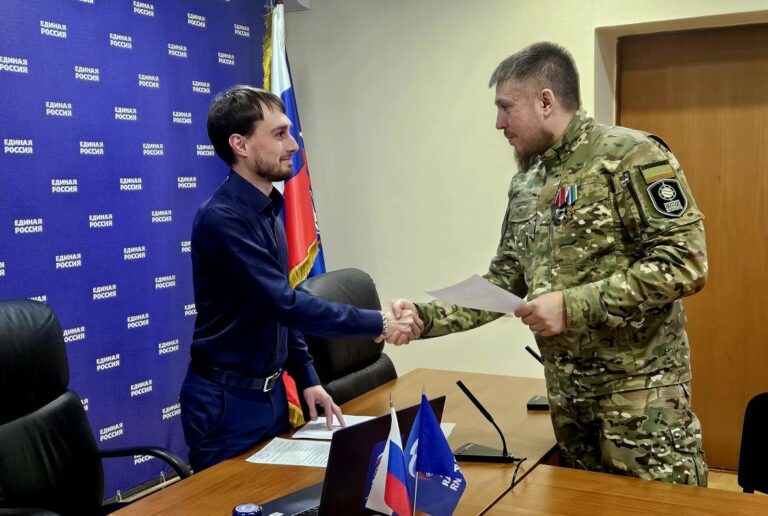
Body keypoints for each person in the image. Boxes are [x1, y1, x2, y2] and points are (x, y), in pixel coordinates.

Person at [391, 42, 709, 486]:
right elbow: (504, 281)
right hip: (568, 399)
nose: (498, 123)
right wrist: (425, 318)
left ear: (545, 101)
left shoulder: (630, 155)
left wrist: (571, 306)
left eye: (506, 107)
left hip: (640, 398)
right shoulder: (527, 181)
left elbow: (684, 262)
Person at [180, 85, 420, 471]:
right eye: (279, 134)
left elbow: (278, 310)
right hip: (226, 406)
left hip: (271, 397)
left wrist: (308, 378)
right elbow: (285, 304)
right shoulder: (222, 219)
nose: (293, 145)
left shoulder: (267, 212)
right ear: (240, 145)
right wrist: (380, 322)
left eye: (289, 132)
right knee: (233, 500)